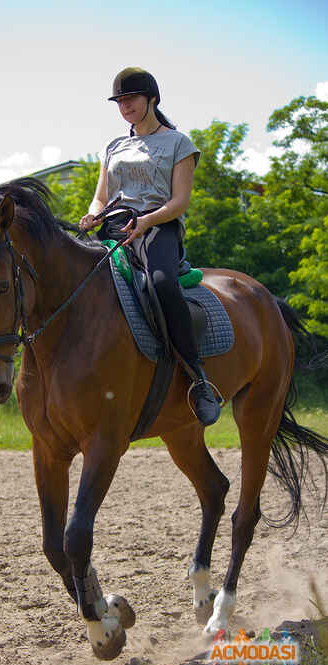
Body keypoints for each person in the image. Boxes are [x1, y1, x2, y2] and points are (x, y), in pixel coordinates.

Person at [79, 67, 221, 426]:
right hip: (114, 226)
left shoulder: (178, 144)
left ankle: (199, 380)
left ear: (152, 99)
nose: (124, 106)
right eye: (120, 101)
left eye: (131, 99)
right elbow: (100, 198)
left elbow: (180, 202)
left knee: (160, 283)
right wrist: (92, 215)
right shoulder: (113, 147)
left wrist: (147, 221)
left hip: (158, 227)